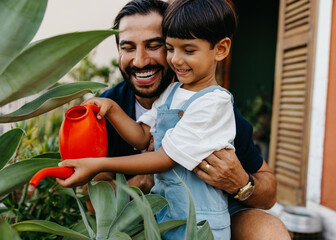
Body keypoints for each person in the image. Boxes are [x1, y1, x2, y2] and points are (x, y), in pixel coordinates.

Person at [58, 0, 291, 239]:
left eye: (154, 45)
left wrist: (240, 183)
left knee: (269, 231)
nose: (140, 61)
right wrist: (143, 182)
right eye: (128, 47)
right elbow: (94, 199)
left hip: (204, 215)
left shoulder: (212, 106)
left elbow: (269, 193)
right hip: (139, 219)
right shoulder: (110, 110)